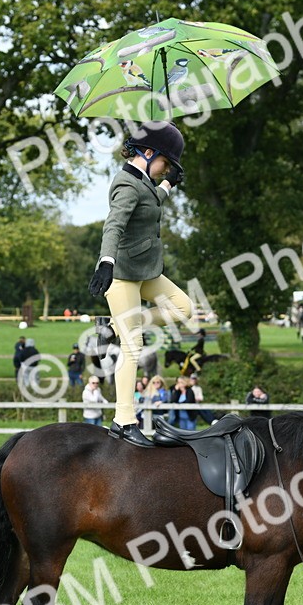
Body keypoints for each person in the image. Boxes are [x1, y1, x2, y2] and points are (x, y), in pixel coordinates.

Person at [87, 121, 192, 447]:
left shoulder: (144, 182)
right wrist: (106, 262)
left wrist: (168, 186)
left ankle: (115, 328)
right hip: (121, 277)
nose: (166, 169)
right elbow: (114, 226)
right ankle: (123, 421)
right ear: (148, 153)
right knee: (132, 349)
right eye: (166, 163)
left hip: (146, 272)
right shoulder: (126, 185)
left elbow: (151, 202)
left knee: (184, 308)